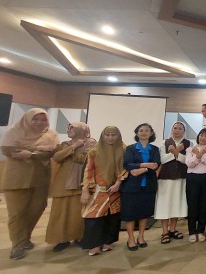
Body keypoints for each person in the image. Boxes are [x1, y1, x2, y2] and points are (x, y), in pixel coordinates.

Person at [1, 108, 59, 260]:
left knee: (37, 209)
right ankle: (17, 245)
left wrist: (30, 153)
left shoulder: (51, 134)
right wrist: (38, 148)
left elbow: (51, 152)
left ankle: (25, 238)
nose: (39, 122)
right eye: (35, 119)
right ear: (27, 119)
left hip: (40, 179)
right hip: (16, 179)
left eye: (43, 119)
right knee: (17, 213)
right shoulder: (14, 131)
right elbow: (9, 150)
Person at [46, 122, 96, 252]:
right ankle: (62, 239)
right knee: (60, 213)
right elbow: (57, 157)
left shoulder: (91, 143)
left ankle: (79, 237)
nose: (68, 130)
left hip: (80, 183)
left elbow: (83, 159)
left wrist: (71, 152)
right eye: (68, 128)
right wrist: (75, 146)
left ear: (80, 130)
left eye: (71, 128)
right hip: (62, 183)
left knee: (77, 214)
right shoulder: (65, 144)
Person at [80, 126, 126, 256]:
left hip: (114, 190)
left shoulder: (123, 149)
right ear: (102, 136)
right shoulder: (94, 151)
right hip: (97, 191)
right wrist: (85, 190)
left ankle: (107, 242)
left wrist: (118, 183)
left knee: (112, 217)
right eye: (107, 135)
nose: (110, 138)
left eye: (113, 135)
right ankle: (94, 244)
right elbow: (88, 171)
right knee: (93, 218)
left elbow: (125, 168)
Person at [120, 123, 161, 251]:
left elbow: (156, 164)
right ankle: (131, 238)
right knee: (130, 214)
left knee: (144, 213)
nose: (143, 133)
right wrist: (146, 165)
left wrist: (141, 169)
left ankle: (141, 236)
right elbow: (128, 164)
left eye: (147, 130)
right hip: (131, 187)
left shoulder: (154, 149)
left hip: (148, 186)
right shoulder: (130, 148)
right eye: (141, 130)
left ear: (151, 133)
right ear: (137, 133)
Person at [155, 122, 190, 244]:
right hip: (165, 179)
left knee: (176, 203)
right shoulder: (163, 143)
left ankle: (173, 229)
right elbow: (163, 160)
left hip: (181, 178)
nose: (177, 130)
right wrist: (175, 152)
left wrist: (175, 152)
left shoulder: (188, 144)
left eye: (180, 128)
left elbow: (187, 161)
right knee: (164, 204)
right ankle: (164, 231)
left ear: (184, 131)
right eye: (175, 128)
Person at [185, 128, 206, 243]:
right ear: (198, 136)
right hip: (192, 178)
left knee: (204, 205)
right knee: (192, 205)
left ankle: (201, 231)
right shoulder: (190, 149)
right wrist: (198, 155)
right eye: (201, 135)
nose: (203, 138)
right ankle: (192, 231)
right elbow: (189, 164)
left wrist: (200, 154)